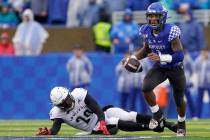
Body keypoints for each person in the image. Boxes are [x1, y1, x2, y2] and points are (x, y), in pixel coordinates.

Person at [122, 2, 186, 136]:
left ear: (163, 17)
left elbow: (180, 55)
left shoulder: (171, 30)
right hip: (161, 67)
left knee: (178, 98)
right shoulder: (145, 30)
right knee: (146, 87)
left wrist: (161, 57)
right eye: (150, 16)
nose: (153, 19)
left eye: (156, 16)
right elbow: (145, 50)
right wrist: (132, 58)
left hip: (175, 67)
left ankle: (181, 123)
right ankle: (157, 115)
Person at [36, 86, 177, 135]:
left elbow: (95, 106)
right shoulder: (57, 113)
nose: (68, 103)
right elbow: (56, 128)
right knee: (115, 121)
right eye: (64, 103)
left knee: (129, 115)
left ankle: (166, 123)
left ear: (68, 93)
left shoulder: (78, 94)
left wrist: (102, 120)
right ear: (58, 105)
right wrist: (49, 132)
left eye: (67, 98)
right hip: (95, 127)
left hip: (101, 116)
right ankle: (151, 127)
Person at [194, 48, 210, 118]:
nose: (204, 53)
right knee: (199, 100)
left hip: (209, 83)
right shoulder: (199, 59)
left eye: (205, 52)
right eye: (203, 52)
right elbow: (195, 68)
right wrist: (201, 60)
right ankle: (197, 116)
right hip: (201, 83)